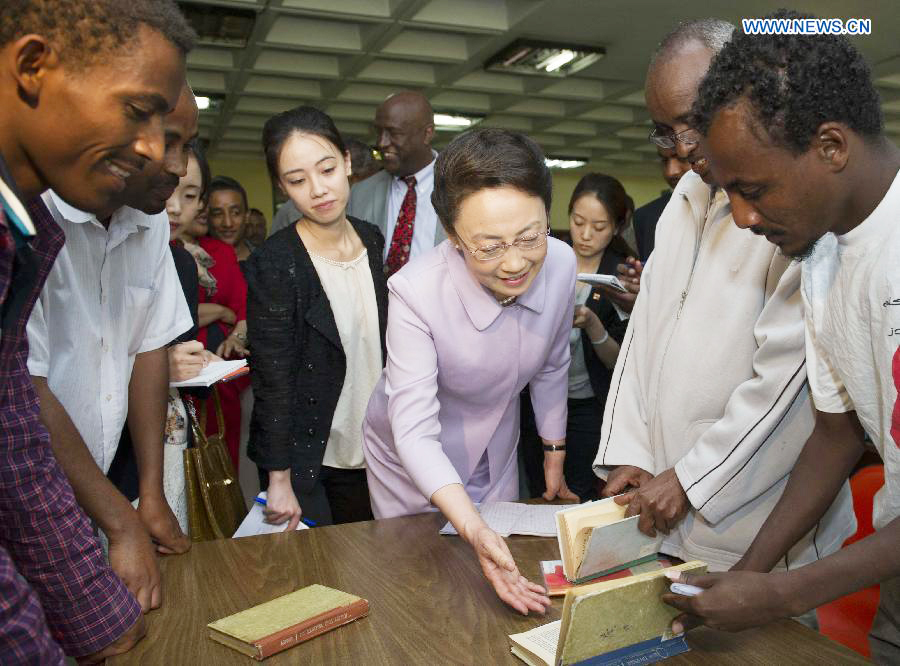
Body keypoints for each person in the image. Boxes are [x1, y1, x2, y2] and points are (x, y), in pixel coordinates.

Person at [663, 12, 900, 661]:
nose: (741, 217)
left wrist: (784, 594)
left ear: (830, 146)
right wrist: (751, 572)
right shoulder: (822, 256)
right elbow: (836, 432)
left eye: (754, 189)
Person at [593, 18, 854, 593]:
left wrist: (690, 477)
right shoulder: (683, 199)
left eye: (693, 123)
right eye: (665, 131)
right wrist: (630, 451)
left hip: (753, 514)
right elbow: (644, 337)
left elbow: (788, 376)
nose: (683, 150)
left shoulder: (790, 202)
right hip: (663, 503)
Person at [0, 1, 194, 662]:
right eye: (138, 112)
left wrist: (89, 600)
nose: (153, 151)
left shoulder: (24, 226)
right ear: (32, 66)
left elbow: (13, 438)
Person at [362, 127, 577, 615]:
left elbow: (553, 363)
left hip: (494, 436)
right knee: (422, 578)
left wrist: (553, 450)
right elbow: (413, 430)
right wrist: (473, 526)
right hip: (409, 453)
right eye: (490, 246)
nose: (516, 262)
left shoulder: (561, 263)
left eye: (530, 236)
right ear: (452, 235)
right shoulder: (415, 292)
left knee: (499, 574)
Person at [28, 81, 197, 612]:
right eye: (167, 140)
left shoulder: (148, 224)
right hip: (30, 488)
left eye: (189, 144)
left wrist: (150, 496)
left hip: (101, 486)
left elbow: (148, 348)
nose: (178, 166)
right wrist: (122, 524)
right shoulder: (33, 216)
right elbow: (22, 383)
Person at [246, 106, 388, 527]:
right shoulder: (276, 261)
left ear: (346, 162)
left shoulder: (371, 239)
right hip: (312, 459)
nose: (318, 189)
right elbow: (272, 376)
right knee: (323, 584)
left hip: (377, 449)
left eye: (326, 169)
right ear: (281, 186)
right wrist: (278, 478)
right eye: (297, 180)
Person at [521, 174, 631, 501]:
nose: (584, 235)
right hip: (535, 401)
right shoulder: (547, 260)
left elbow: (618, 361)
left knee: (578, 493)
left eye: (598, 228)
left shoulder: (622, 277)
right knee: (539, 488)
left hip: (588, 404)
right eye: (577, 221)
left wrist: (593, 323)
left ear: (617, 227)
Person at [271, 91, 443, 274]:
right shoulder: (360, 193)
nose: (381, 142)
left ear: (427, 134)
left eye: (394, 133)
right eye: (379, 132)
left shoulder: (461, 187)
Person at [632, 146, 691, 262]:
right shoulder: (645, 217)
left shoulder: (730, 211)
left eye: (682, 159)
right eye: (664, 160)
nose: (671, 172)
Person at [208, 175, 254, 262]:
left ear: (247, 216)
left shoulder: (266, 260)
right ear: (207, 217)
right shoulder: (196, 263)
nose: (228, 223)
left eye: (235, 213)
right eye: (218, 214)